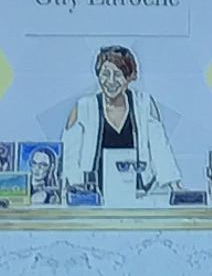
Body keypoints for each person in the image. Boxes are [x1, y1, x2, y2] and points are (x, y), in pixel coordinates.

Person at [59, 44, 176, 200]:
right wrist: (77, 189)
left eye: (118, 74)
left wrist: (174, 185)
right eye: (105, 74)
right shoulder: (83, 108)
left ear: (129, 77)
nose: (111, 81)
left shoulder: (144, 104)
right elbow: (69, 159)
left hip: (140, 195)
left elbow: (160, 150)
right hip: (94, 196)